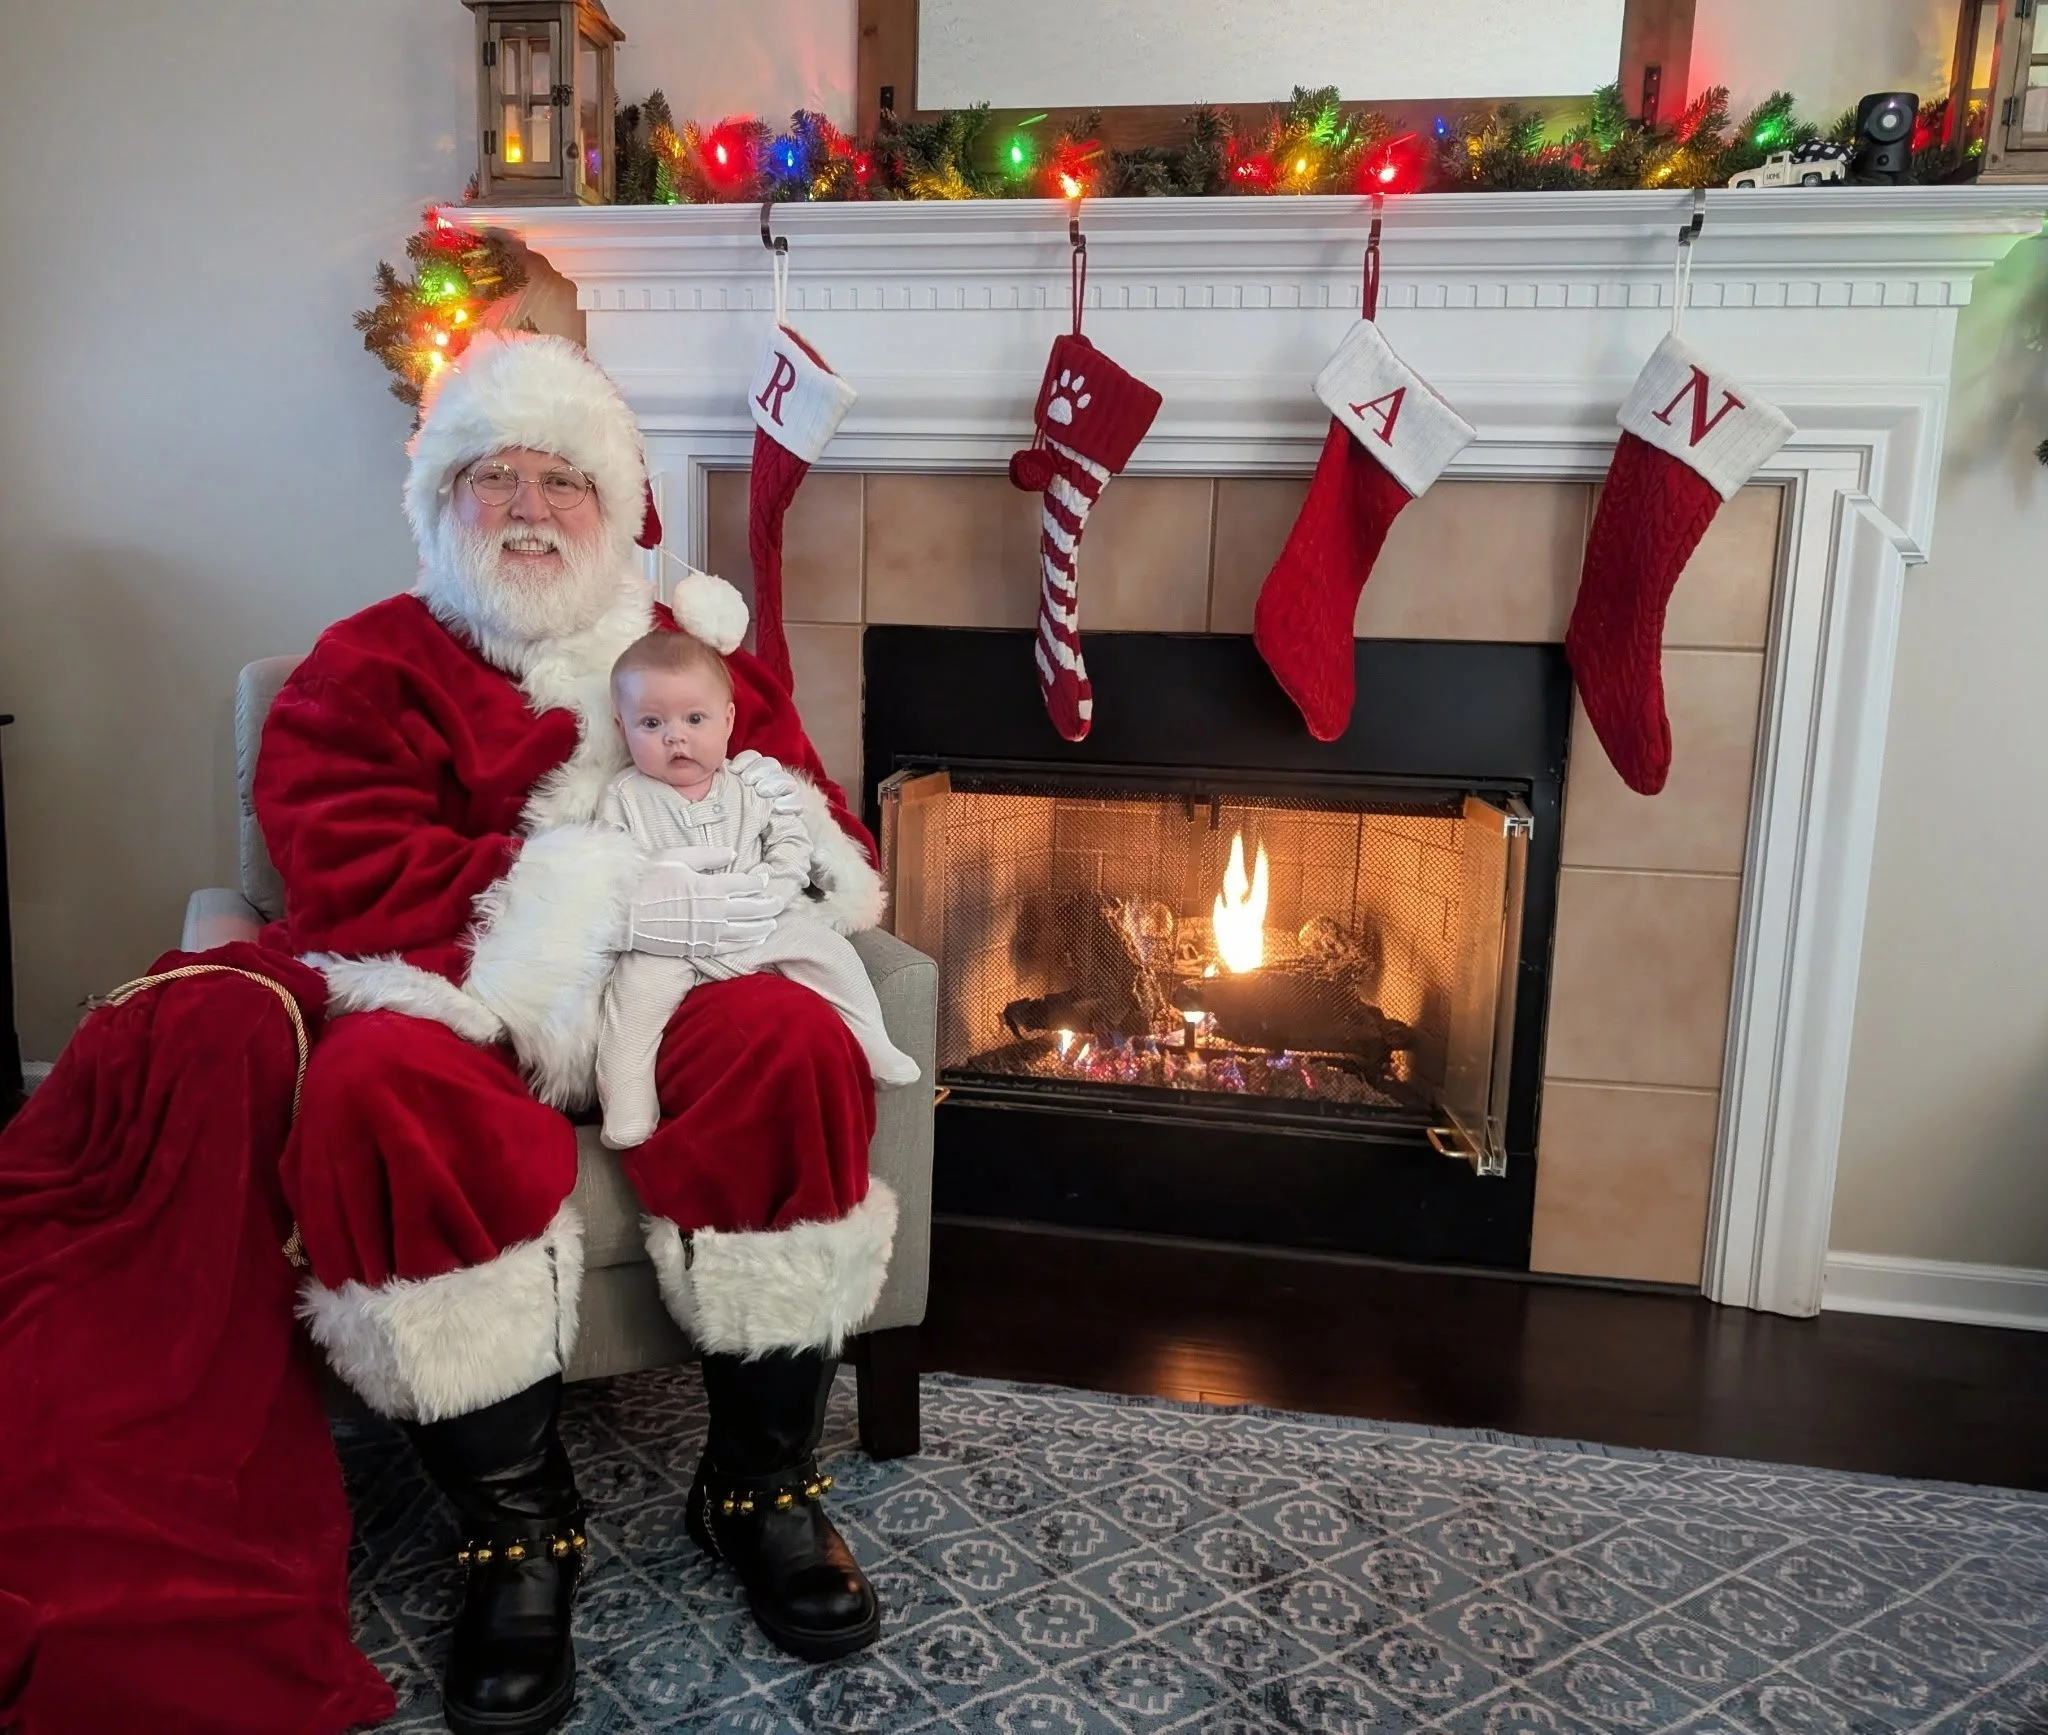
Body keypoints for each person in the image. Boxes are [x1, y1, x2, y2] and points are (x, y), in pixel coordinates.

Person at [253, 331, 895, 1735]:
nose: (533, 504)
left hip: (686, 983)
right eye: (497, 475)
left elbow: (814, 824)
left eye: (566, 477)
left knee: (792, 1038)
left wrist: (726, 893)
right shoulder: (360, 668)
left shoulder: (689, 655)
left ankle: (756, 1479)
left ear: (618, 509)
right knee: (376, 1085)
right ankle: (515, 1528)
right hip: (469, 993)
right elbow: (349, 876)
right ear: (441, 501)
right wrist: (583, 896)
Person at [596, 630, 919, 1148]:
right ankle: (629, 1103)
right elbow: (610, 865)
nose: (674, 737)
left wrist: (777, 885)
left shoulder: (752, 785)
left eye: (693, 719)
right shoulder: (625, 797)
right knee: (632, 1001)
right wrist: (644, 891)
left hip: (757, 924)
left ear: (727, 719)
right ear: (622, 727)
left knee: (828, 951)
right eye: (651, 723)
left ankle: (871, 1039)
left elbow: (791, 841)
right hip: (672, 943)